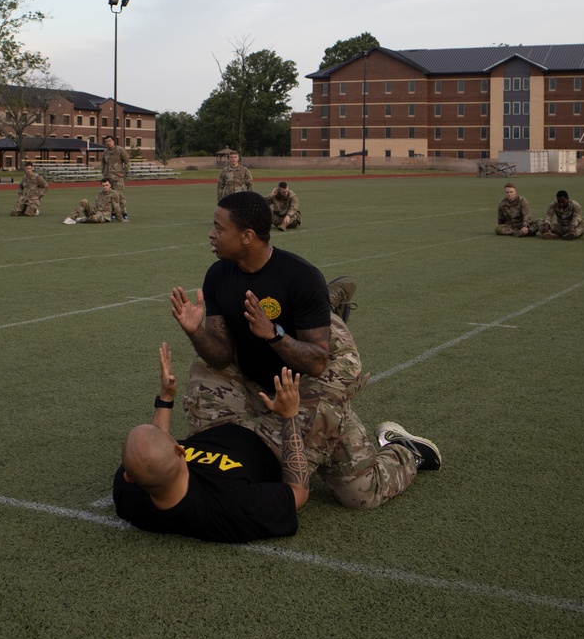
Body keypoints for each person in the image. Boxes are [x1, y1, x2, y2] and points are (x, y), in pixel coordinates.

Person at [170, 191, 440, 511]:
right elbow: (220, 357)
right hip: (263, 375)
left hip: (319, 370)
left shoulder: (299, 275)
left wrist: (273, 334)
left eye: (218, 227)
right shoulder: (218, 275)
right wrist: (195, 332)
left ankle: (405, 449)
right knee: (235, 424)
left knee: (360, 495)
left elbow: (316, 363)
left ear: (247, 236)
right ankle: (321, 305)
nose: (211, 234)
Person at [112, 343, 309, 543]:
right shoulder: (234, 505)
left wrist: (166, 397)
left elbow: (155, 449)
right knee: (331, 373)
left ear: (129, 477)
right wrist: (290, 415)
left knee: (211, 357)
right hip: (272, 443)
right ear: (180, 451)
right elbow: (298, 493)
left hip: (218, 424)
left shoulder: (128, 491)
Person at [101, 135, 130, 220]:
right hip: (108, 179)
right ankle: (113, 213)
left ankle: (124, 213)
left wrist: (124, 173)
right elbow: (103, 163)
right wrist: (103, 172)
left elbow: (127, 161)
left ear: (113, 141)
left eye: (109, 141)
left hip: (117, 178)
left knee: (119, 196)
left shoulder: (120, 150)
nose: (108, 143)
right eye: (106, 142)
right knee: (109, 196)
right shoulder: (105, 152)